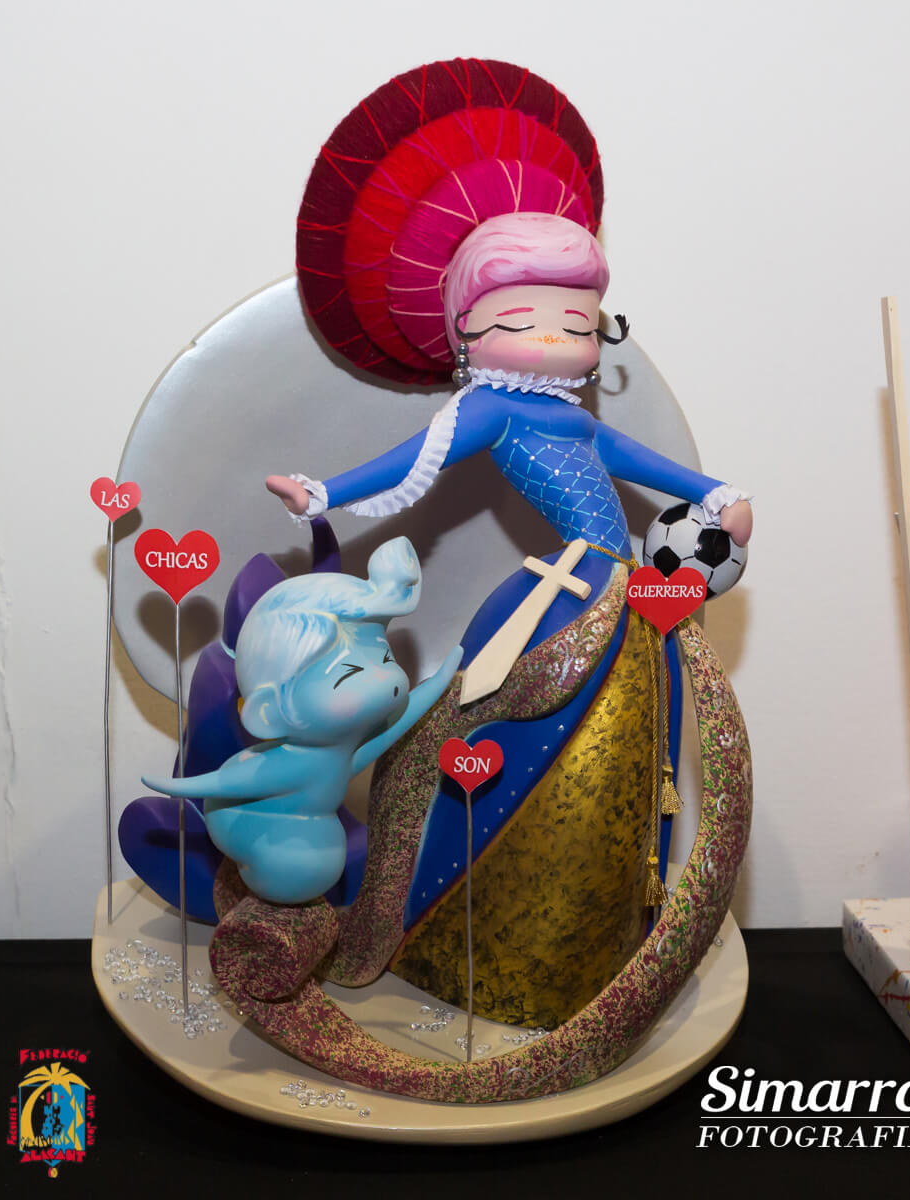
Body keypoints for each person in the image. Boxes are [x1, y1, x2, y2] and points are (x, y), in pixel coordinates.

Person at [263, 213, 753, 1025]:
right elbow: (411, 463)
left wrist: (719, 496)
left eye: (579, 322)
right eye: (523, 319)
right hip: (565, 593)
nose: (556, 335)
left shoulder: (579, 420)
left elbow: (655, 469)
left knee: (621, 763)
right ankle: (463, 923)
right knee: (507, 739)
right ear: (466, 329)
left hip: (622, 595)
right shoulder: (488, 410)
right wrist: (321, 494)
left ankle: (595, 938)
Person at [142, 537, 462, 905]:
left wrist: (438, 681)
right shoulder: (294, 764)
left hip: (302, 828)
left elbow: (394, 725)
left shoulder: (337, 753)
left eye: (385, 657)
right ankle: (281, 882)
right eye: (349, 672)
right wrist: (176, 786)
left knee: (319, 857)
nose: (386, 678)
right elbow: (225, 782)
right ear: (270, 711)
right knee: (306, 861)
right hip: (263, 832)